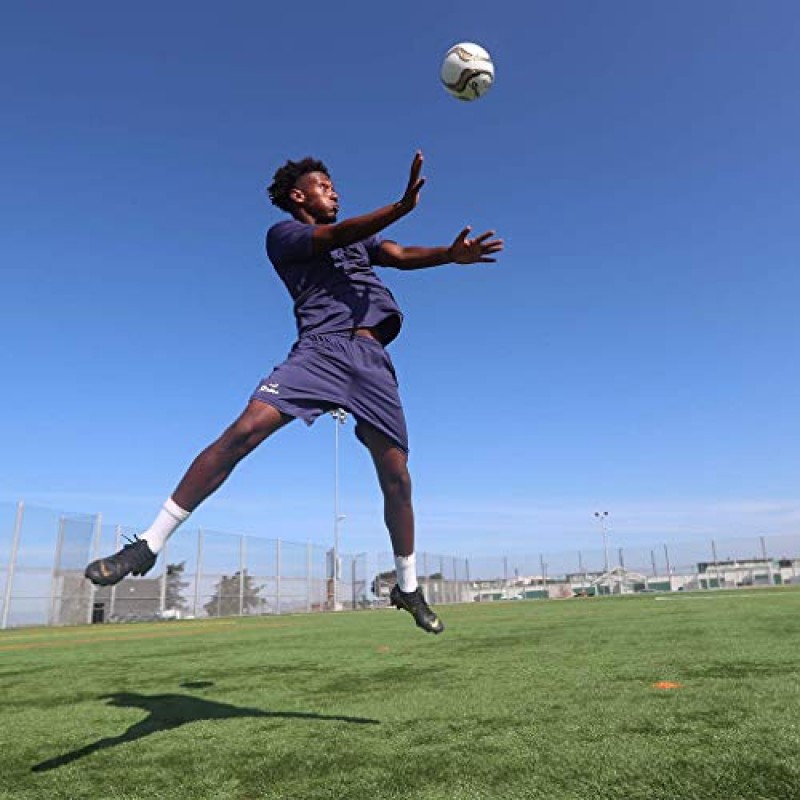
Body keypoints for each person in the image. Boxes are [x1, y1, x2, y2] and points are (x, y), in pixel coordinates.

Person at [85, 151, 503, 634]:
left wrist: (450, 255)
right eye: (325, 185)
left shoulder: (360, 239)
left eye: (334, 185)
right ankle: (148, 544)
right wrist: (399, 205)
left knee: (397, 478)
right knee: (243, 431)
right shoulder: (283, 235)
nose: (336, 191)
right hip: (319, 353)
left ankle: (407, 586)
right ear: (298, 195)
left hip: (370, 361)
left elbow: (400, 255)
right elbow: (331, 236)